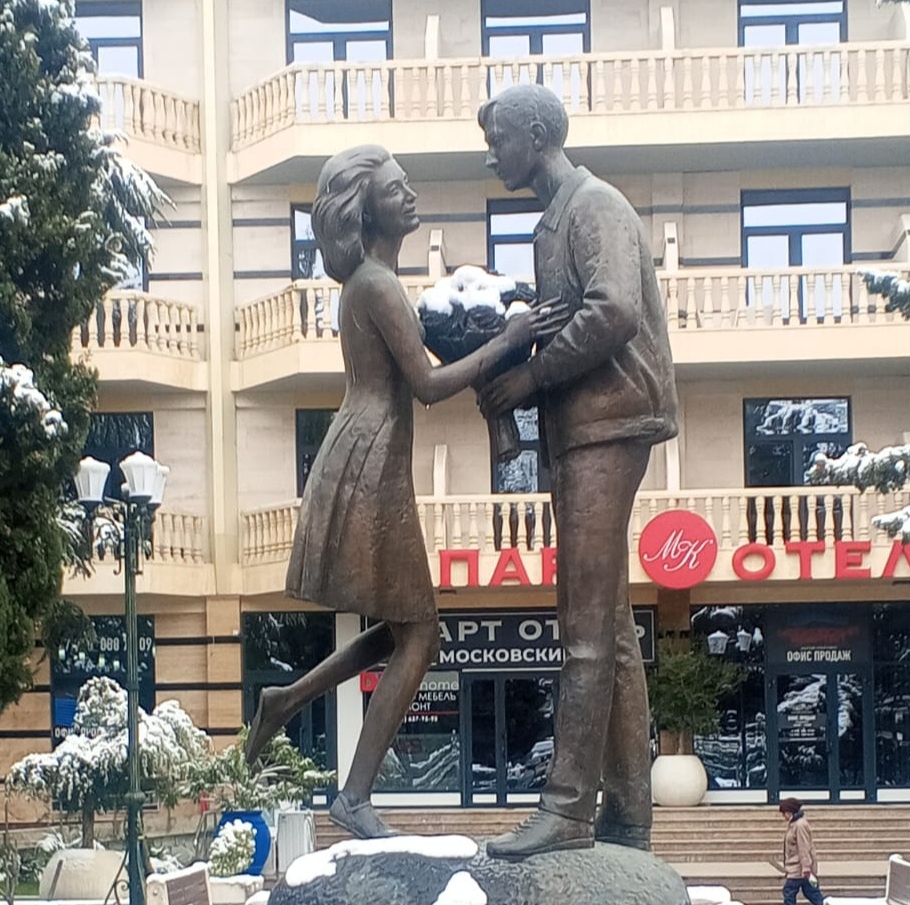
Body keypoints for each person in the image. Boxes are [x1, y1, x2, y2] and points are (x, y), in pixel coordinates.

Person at [243, 144, 565, 840]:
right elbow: (425, 385)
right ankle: (353, 794)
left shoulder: (378, 281)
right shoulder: (376, 285)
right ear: (367, 211)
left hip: (373, 454)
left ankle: (286, 699)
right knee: (421, 635)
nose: (411, 194)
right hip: (370, 460)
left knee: (407, 628)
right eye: (397, 188)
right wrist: (508, 341)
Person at [477, 84, 679, 859]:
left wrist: (530, 376)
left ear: (535, 133)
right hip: (583, 428)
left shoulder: (595, 205)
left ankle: (568, 808)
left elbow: (613, 311)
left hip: (609, 423)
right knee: (612, 627)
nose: (491, 155)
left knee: (584, 624)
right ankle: (628, 814)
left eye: (498, 138)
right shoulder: (555, 220)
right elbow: (582, 314)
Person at [780, 797, 825, 905]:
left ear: (790, 811)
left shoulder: (800, 825)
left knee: (789, 892)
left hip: (798, 868)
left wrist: (806, 867)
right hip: (798, 868)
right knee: (811, 893)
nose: (783, 816)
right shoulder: (794, 824)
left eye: (784, 813)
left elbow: (803, 847)